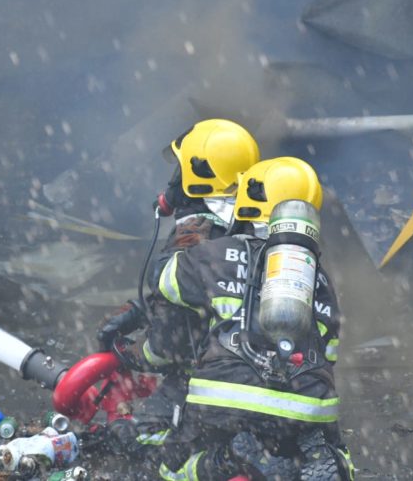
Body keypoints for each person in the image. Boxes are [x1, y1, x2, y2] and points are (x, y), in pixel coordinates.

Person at [150, 157, 354, 480]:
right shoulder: (318, 279)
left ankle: (220, 461)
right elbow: (329, 352)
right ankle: (325, 459)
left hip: (223, 397)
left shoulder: (215, 253)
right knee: (324, 451)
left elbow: (165, 284)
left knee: (171, 468)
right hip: (304, 406)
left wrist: (184, 239)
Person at [94, 119, 260, 454]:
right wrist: (143, 310)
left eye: (181, 172)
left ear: (197, 177)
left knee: (135, 443)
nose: (173, 184)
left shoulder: (192, 241)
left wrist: (133, 354)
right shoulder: (254, 228)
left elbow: (170, 347)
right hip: (267, 380)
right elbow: (217, 298)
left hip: (211, 387)